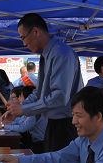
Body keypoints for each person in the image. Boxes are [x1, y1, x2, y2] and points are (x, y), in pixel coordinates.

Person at [5, 13, 82, 152]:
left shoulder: (61, 53)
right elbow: (40, 92)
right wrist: (19, 108)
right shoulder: (47, 55)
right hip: (54, 124)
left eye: (23, 37)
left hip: (66, 124)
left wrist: (24, 109)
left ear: (35, 32)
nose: (24, 43)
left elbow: (59, 97)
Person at [0, 85, 47, 152]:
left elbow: (23, 128)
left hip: (38, 144)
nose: (19, 100)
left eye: (20, 97)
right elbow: (20, 122)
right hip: (32, 141)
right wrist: (5, 123)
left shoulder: (33, 111)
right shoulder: (29, 110)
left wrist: (3, 126)